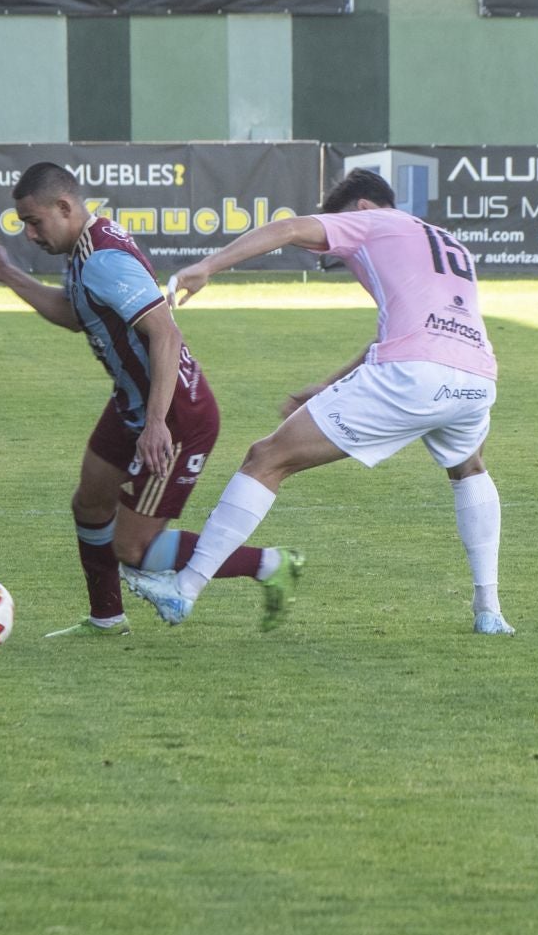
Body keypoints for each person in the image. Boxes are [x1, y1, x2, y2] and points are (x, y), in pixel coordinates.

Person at [119, 167, 511, 637]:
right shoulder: (445, 241)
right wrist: (329, 383)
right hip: (476, 378)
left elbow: (286, 228)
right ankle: (489, 610)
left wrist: (208, 266)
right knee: (469, 468)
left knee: (266, 459)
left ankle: (185, 588)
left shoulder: (371, 221)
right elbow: (409, 332)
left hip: (411, 375)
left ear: (362, 207)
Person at [0, 162, 295, 638]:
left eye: (34, 221)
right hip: (133, 403)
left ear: (64, 207)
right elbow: (75, 314)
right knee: (90, 503)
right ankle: (106, 619)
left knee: (133, 548)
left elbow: (165, 332)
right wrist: (7, 273)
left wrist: (157, 424)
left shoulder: (103, 257)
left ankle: (271, 564)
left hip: (177, 413)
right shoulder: (85, 246)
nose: (30, 233)